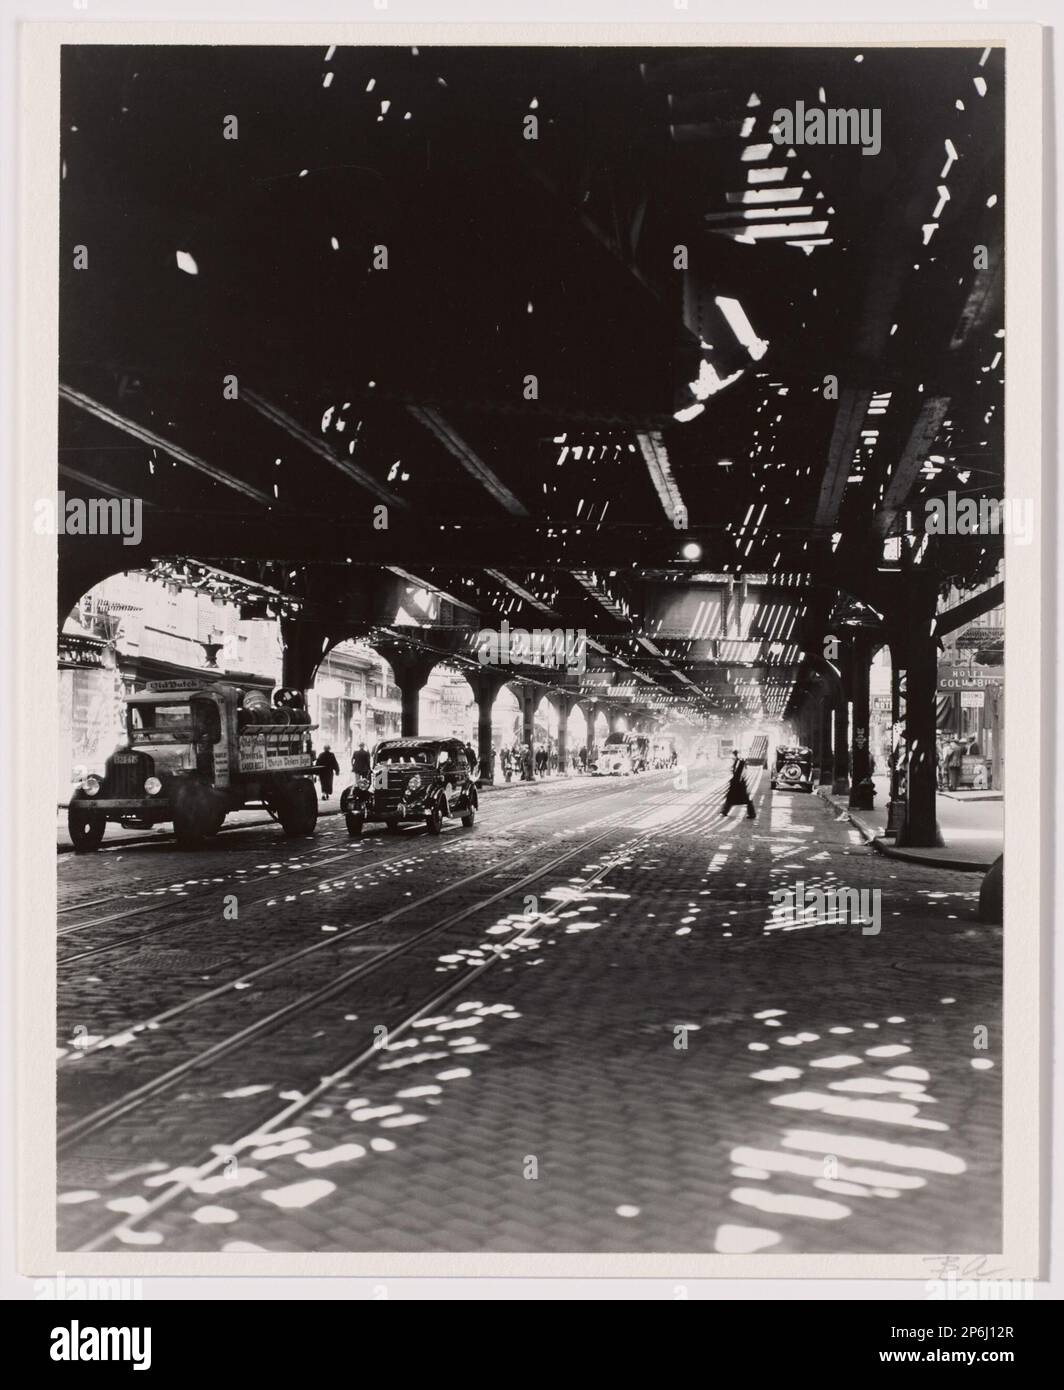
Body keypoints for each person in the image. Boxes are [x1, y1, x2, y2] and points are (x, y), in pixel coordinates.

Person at [721, 749, 756, 820]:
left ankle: (752, 813)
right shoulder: (738, 761)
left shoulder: (740, 762)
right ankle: (725, 811)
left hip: (739, 783)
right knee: (731, 797)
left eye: (733, 755)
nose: (732, 757)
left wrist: (739, 779)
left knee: (743, 798)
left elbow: (742, 773)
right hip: (736, 782)